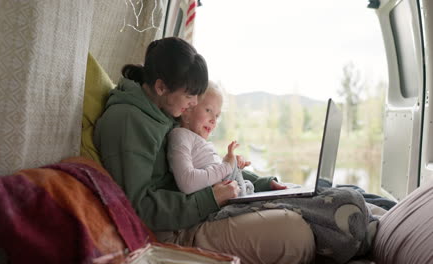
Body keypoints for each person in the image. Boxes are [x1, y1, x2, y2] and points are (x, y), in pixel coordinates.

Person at [94, 37, 315, 264]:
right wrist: (210, 198)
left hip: (198, 212)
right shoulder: (128, 123)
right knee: (295, 234)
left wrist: (263, 184)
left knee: (302, 206)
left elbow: (204, 165)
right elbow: (137, 208)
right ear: (161, 87)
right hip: (175, 231)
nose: (194, 103)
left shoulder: (164, 111)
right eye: (190, 95)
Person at [167, 81, 256, 196]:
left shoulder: (199, 142)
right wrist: (227, 166)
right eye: (208, 110)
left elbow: (215, 172)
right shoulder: (180, 135)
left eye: (217, 115)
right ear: (187, 111)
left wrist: (233, 164)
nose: (213, 120)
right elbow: (187, 182)